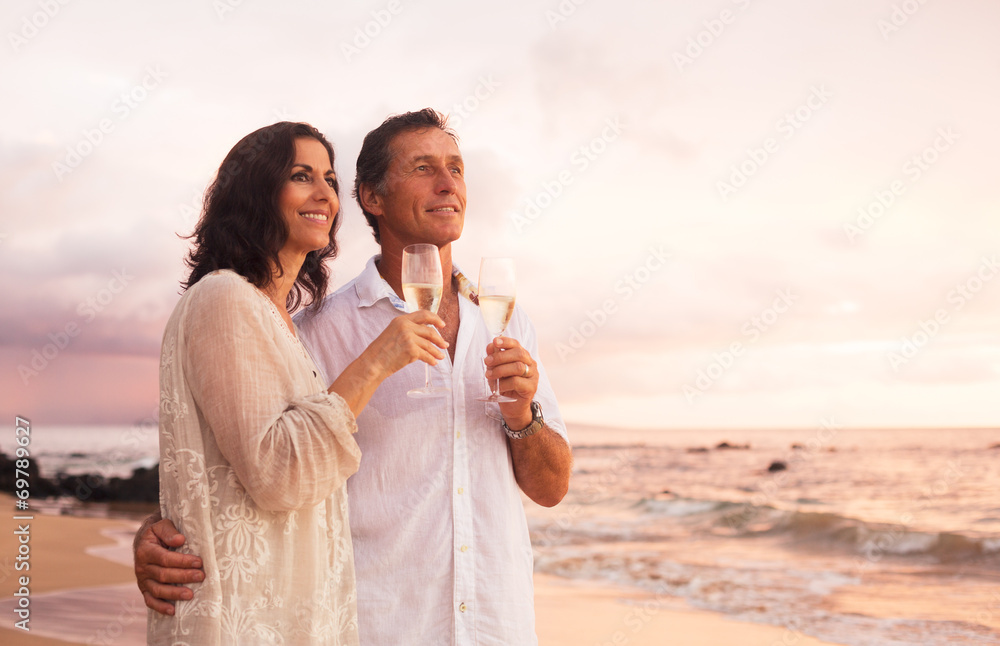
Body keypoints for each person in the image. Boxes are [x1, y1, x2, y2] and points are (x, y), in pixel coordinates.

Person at [136, 109, 573, 644]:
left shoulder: (506, 322)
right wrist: (157, 534)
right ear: (373, 197)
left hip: (497, 624)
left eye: (456, 169)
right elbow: (243, 458)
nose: (447, 184)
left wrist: (520, 416)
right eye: (423, 168)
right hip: (377, 624)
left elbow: (551, 489)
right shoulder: (315, 330)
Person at [145, 121, 448, 645]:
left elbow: (224, 466)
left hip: (293, 617)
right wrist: (375, 363)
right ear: (257, 192)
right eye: (301, 176)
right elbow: (275, 472)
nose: (324, 194)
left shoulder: (280, 320)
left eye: (329, 179)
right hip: (244, 621)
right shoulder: (224, 299)